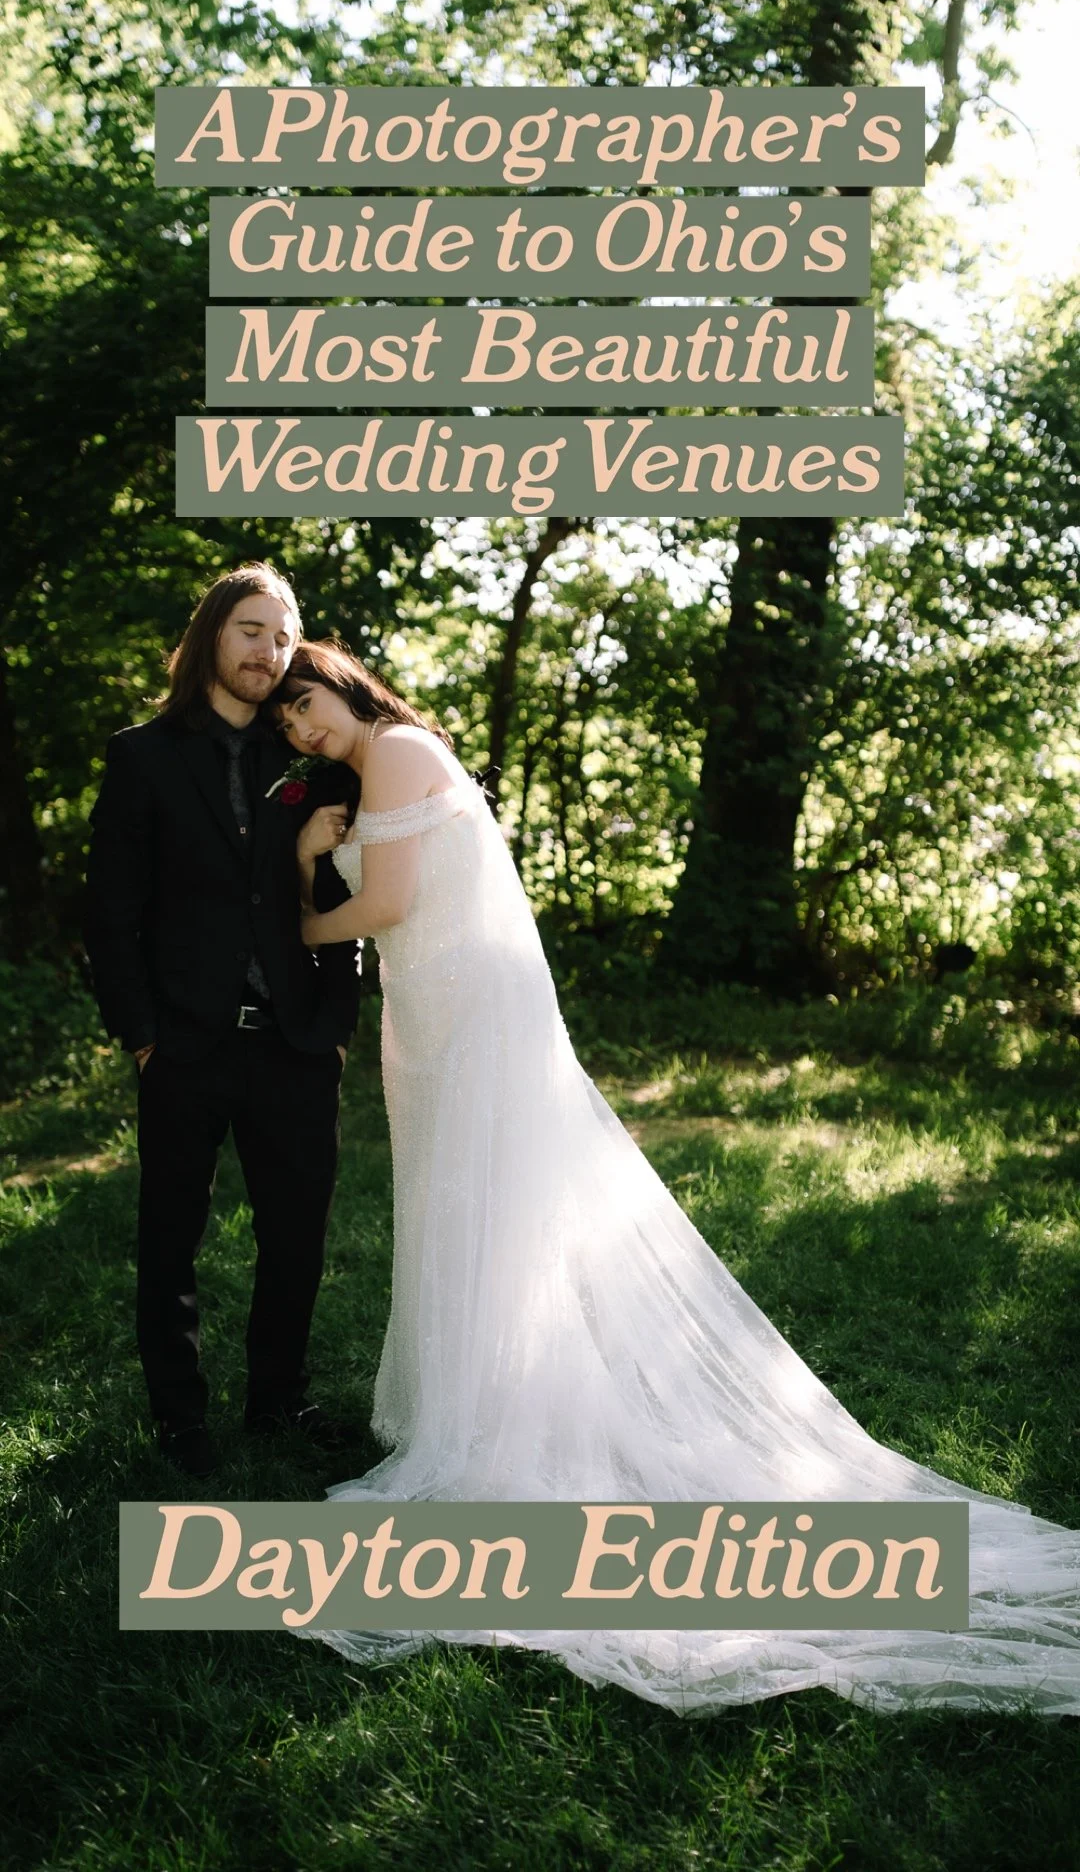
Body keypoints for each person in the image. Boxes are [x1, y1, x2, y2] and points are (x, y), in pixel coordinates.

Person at [272, 637, 1080, 1719]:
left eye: (307, 700)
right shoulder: (373, 770)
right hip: (435, 1013)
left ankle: (499, 1420)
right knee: (463, 1205)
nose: (301, 725)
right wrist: (312, 853)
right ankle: (478, 1397)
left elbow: (386, 905)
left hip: (468, 1012)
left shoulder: (399, 750)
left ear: (345, 682)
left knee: (485, 1202)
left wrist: (298, 911)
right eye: (285, 719)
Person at [83, 565, 362, 1479]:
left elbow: (344, 885)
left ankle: (279, 1399)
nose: (268, 651)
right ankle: (180, 1420)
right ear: (212, 633)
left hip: (296, 1040)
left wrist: (336, 1018)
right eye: (252, 630)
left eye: (283, 637)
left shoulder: (310, 756)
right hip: (185, 1042)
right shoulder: (143, 756)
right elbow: (110, 912)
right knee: (170, 1239)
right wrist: (142, 1035)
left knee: (296, 1235)